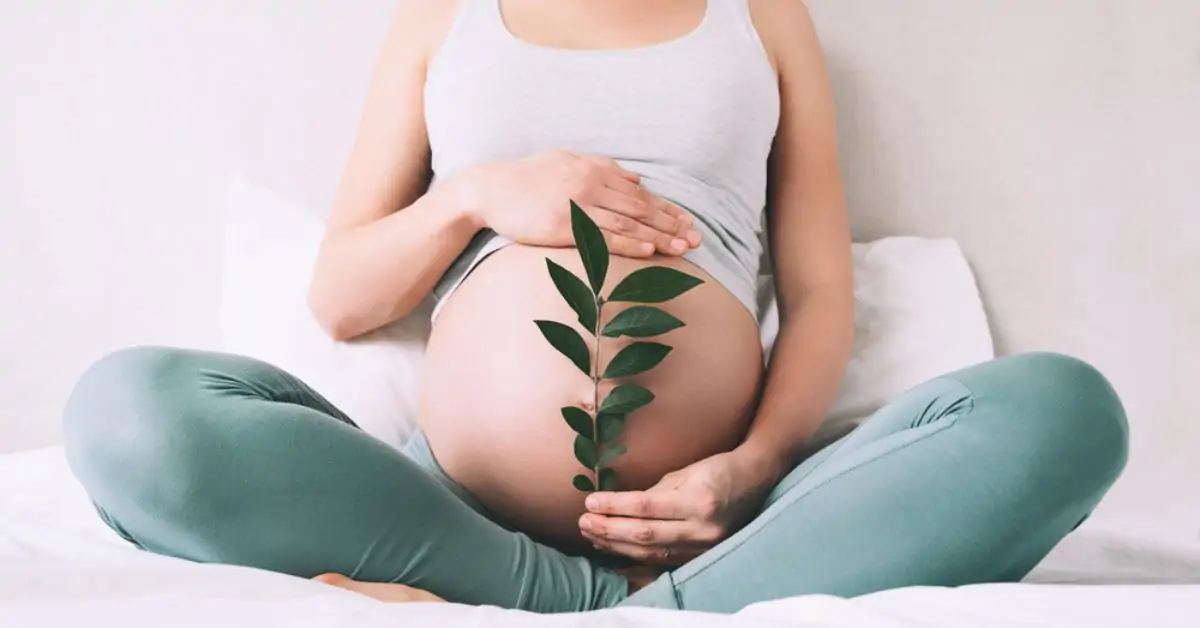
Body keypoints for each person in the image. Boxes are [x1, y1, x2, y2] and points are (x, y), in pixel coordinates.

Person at [61, 0, 1129, 614]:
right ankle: (583, 601)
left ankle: (640, 603)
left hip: (726, 525)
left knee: (1065, 411)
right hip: (453, 518)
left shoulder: (764, 14)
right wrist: (478, 194)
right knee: (124, 411)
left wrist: (748, 470)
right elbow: (340, 296)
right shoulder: (446, 15)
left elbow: (816, 295)